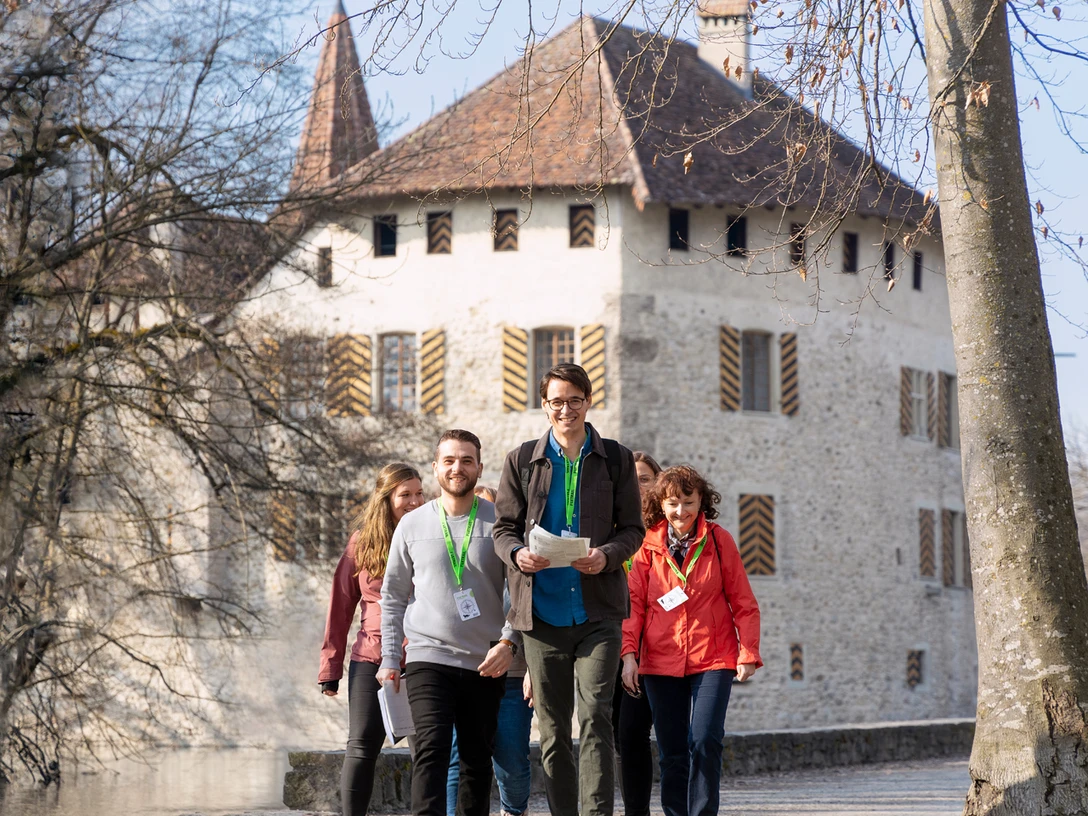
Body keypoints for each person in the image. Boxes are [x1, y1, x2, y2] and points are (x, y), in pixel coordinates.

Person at [494, 363, 645, 816]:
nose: (566, 410)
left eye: (574, 400)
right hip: (541, 615)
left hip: (598, 612)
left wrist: (607, 555)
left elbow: (633, 530)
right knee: (554, 730)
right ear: (544, 406)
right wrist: (517, 553)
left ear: (588, 401)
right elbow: (503, 529)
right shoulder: (522, 460)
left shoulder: (616, 459)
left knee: (596, 716)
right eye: (556, 402)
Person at [378, 429, 518, 816]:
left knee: (476, 760)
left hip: (485, 660)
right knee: (431, 751)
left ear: (480, 468)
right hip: (428, 656)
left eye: (467, 461)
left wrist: (509, 642)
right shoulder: (412, 525)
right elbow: (392, 596)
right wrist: (390, 658)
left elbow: (522, 591)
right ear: (436, 467)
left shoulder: (501, 523)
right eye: (450, 461)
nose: (458, 468)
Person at [621, 465, 762, 816]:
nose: (680, 511)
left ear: (702, 503)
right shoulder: (647, 545)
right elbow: (634, 605)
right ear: (661, 504)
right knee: (672, 752)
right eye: (672, 503)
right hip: (660, 659)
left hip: (713, 657)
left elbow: (743, 601)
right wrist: (629, 655)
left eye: (688, 502)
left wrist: (748, 651)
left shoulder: (719, 540)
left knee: (704, 740)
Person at [318, 463, 426, 816]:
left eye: (419, 493)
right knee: (362, 745)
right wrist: (330, 668)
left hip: (424, 656)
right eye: (405, 495)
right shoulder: (363, 542)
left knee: (427, 750)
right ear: (386, 499)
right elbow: (340, 605)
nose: (415, 501)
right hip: (372, 656)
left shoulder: (432, 535)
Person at [445, 588, 533, 816]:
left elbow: (534, 614)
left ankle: (514, 810)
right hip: (466, 671)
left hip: (513, 675)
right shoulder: (461, 569)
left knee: (511, 760)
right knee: (457, 758)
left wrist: (534, 668)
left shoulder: (520, 567)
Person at [612, 451, 661, 816]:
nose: (638, 486)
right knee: (618, 733)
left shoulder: (666, 533)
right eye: (631, 479)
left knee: (633, 731)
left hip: (650, 645)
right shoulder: (611, 530)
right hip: (609, 640)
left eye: (644, 479)